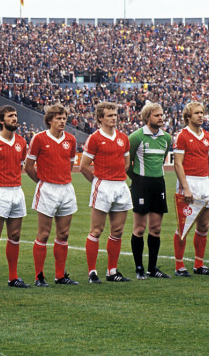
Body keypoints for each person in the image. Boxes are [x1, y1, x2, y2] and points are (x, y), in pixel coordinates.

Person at [25, 104, 79, 286]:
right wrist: (42, 182)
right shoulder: (39, 139)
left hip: (66, 188)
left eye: (64, 118)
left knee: (63, 234)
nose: (63, 121)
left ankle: (60, 275)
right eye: (58, 118)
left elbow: (70, 165)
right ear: (49, 120)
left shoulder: (70, 140)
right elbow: (28, 167)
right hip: (47, 188)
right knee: (44, 234)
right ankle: (39, 276)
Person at [80, 102, 132, 283]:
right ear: (100, 118)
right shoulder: (94, 138)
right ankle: (92, 272)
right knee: (97, 230)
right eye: (109, 115)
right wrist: (97, 182)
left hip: (120, 185)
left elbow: (126, 163)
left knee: (117, 230)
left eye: (115, 114)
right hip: (102, 185)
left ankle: (112, 271)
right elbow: (84, 166)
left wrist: (117, 177)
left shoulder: (123, 138)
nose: (114, 118)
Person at [0, 105, 30, 290]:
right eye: (10, 116)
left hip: (17, 190)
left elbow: (21, 166)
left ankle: (13, 277)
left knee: (15, 235)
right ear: (2, 120)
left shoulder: (22, 142)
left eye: (15, 115)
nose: (14, 118)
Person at [173, 101, 209, 277]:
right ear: (188, 117)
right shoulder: (182, 136)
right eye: (197, 113)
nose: (201, 115)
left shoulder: (208, 136)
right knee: (184, 227)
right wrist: (185, 188)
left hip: (204, 182)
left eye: (202, 112)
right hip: (189, 182)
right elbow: (177, 164)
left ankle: (199, 264)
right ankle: (179, 265)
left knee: (204, 225)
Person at [128, 103, 173, 279]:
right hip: (141, 184)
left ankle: (152, 268)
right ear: (148, 117)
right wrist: (137, 180)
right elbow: (128, 164)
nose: (161, 118)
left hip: (158, 184)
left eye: (162, 115)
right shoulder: (136, 137)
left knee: (156, 228)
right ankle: (139, 268)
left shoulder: (167, 138)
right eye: (157, 115)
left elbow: (161, 161)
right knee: (139, 228)